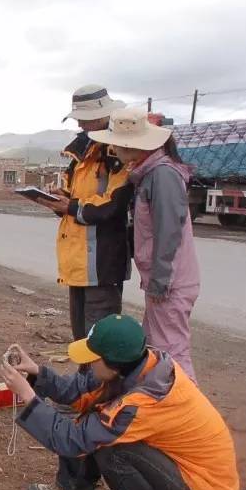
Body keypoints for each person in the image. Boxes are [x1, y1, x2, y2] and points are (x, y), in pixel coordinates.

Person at [0, 314, 238, 490]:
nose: (88, 364)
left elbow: (72, 441)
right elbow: (77, 391)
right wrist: (36, 372)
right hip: (182, 468)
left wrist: (27, 395)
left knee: (112, 450)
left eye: (93, 358)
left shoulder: (146, 398)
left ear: (112, 363)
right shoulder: (134, 365)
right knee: (92, 418)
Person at [88, 108, 200, 381]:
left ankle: (185, 411)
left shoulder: (162, 175)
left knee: (171, 350)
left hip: (170, 281)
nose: (112, 147)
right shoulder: (150, 174)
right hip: (162, 279)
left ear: (130, 146)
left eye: (115, 142)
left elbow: (168, 233)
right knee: (158, 345)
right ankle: (168, 407)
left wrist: (161, 280)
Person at [46, 84, 133, 340]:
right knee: (81, 339)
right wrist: (60, 201)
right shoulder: (83, 152)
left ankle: (100, 382)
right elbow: (78, 200)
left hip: (102, 263)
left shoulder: (118, 152)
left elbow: (113, 206)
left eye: (84, 120)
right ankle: (85, 380)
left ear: (102, 116)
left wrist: (70, 206)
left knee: (100, 340)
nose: (81, 126)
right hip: (78, 263)